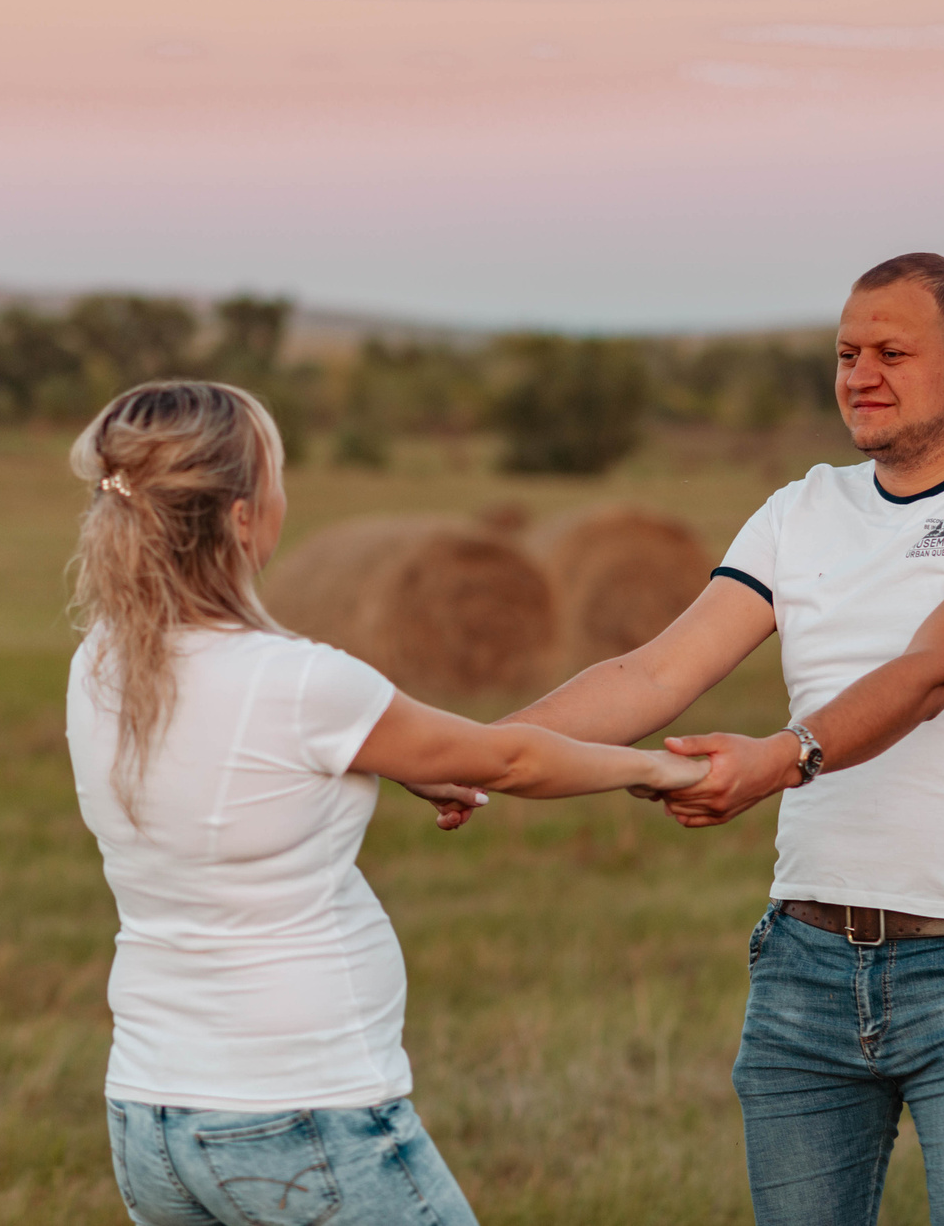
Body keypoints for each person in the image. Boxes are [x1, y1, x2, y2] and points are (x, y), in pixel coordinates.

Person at [418, 253, 944, 1226]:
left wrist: (783, 757)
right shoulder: (800, 507)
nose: (859, 373)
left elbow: (935, 667)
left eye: (891, 351)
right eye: (845, 352)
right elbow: (652, 673)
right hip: (801, 970)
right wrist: (472, 751)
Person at [67, 379, 710, 1226]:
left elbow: (244, 766)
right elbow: (510, 757)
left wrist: (388, 757)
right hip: (298, 1112)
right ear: (242, 516)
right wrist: (659, 771)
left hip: (152, 1115)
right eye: (279, 475)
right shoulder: (297, 681)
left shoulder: (103, 663)